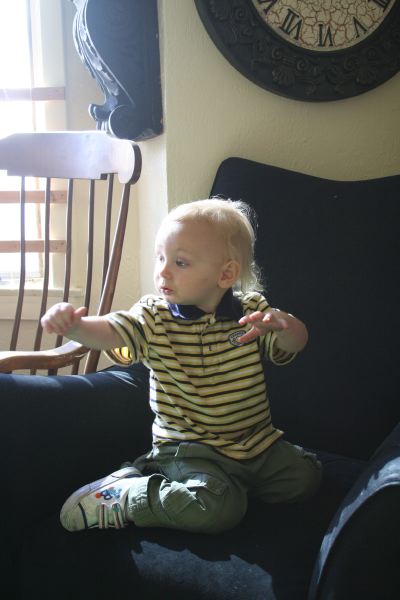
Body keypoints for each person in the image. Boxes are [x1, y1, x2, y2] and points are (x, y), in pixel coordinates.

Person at [41, 198, 321, 534]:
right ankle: (128, 495)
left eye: (180, 262)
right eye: (160, 257)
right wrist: (76, 327)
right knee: (216, 511)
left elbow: (292, 346)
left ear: (226, 274)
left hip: (256, 443)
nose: (163, 270)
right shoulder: (154, 317)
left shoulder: (250, 312)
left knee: (306, 477)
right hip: (189, 449)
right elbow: (113, 331)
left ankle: (230, 487)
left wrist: (287, 327)